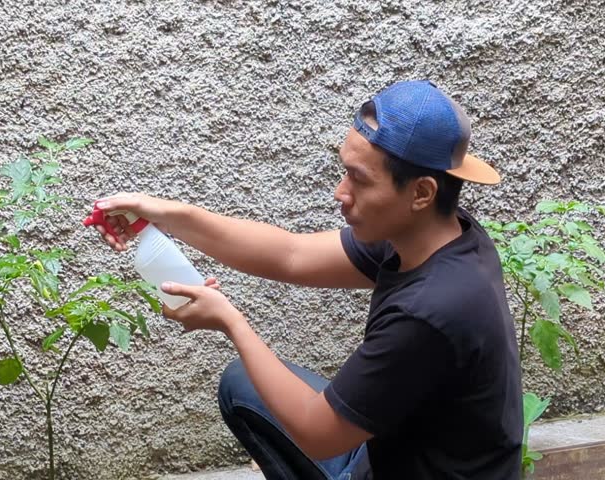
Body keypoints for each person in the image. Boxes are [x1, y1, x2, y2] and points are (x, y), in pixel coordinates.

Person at [94, 80, 523, 479]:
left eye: (358, 179)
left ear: (421, 192)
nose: (340, 191)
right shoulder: (432, 233)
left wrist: (231, 322)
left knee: (268, 393)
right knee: (241, 386)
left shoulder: (433, 309)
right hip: (388, 448)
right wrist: (166, 214)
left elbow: (320, 435)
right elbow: (290, 255)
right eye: (345, 170)